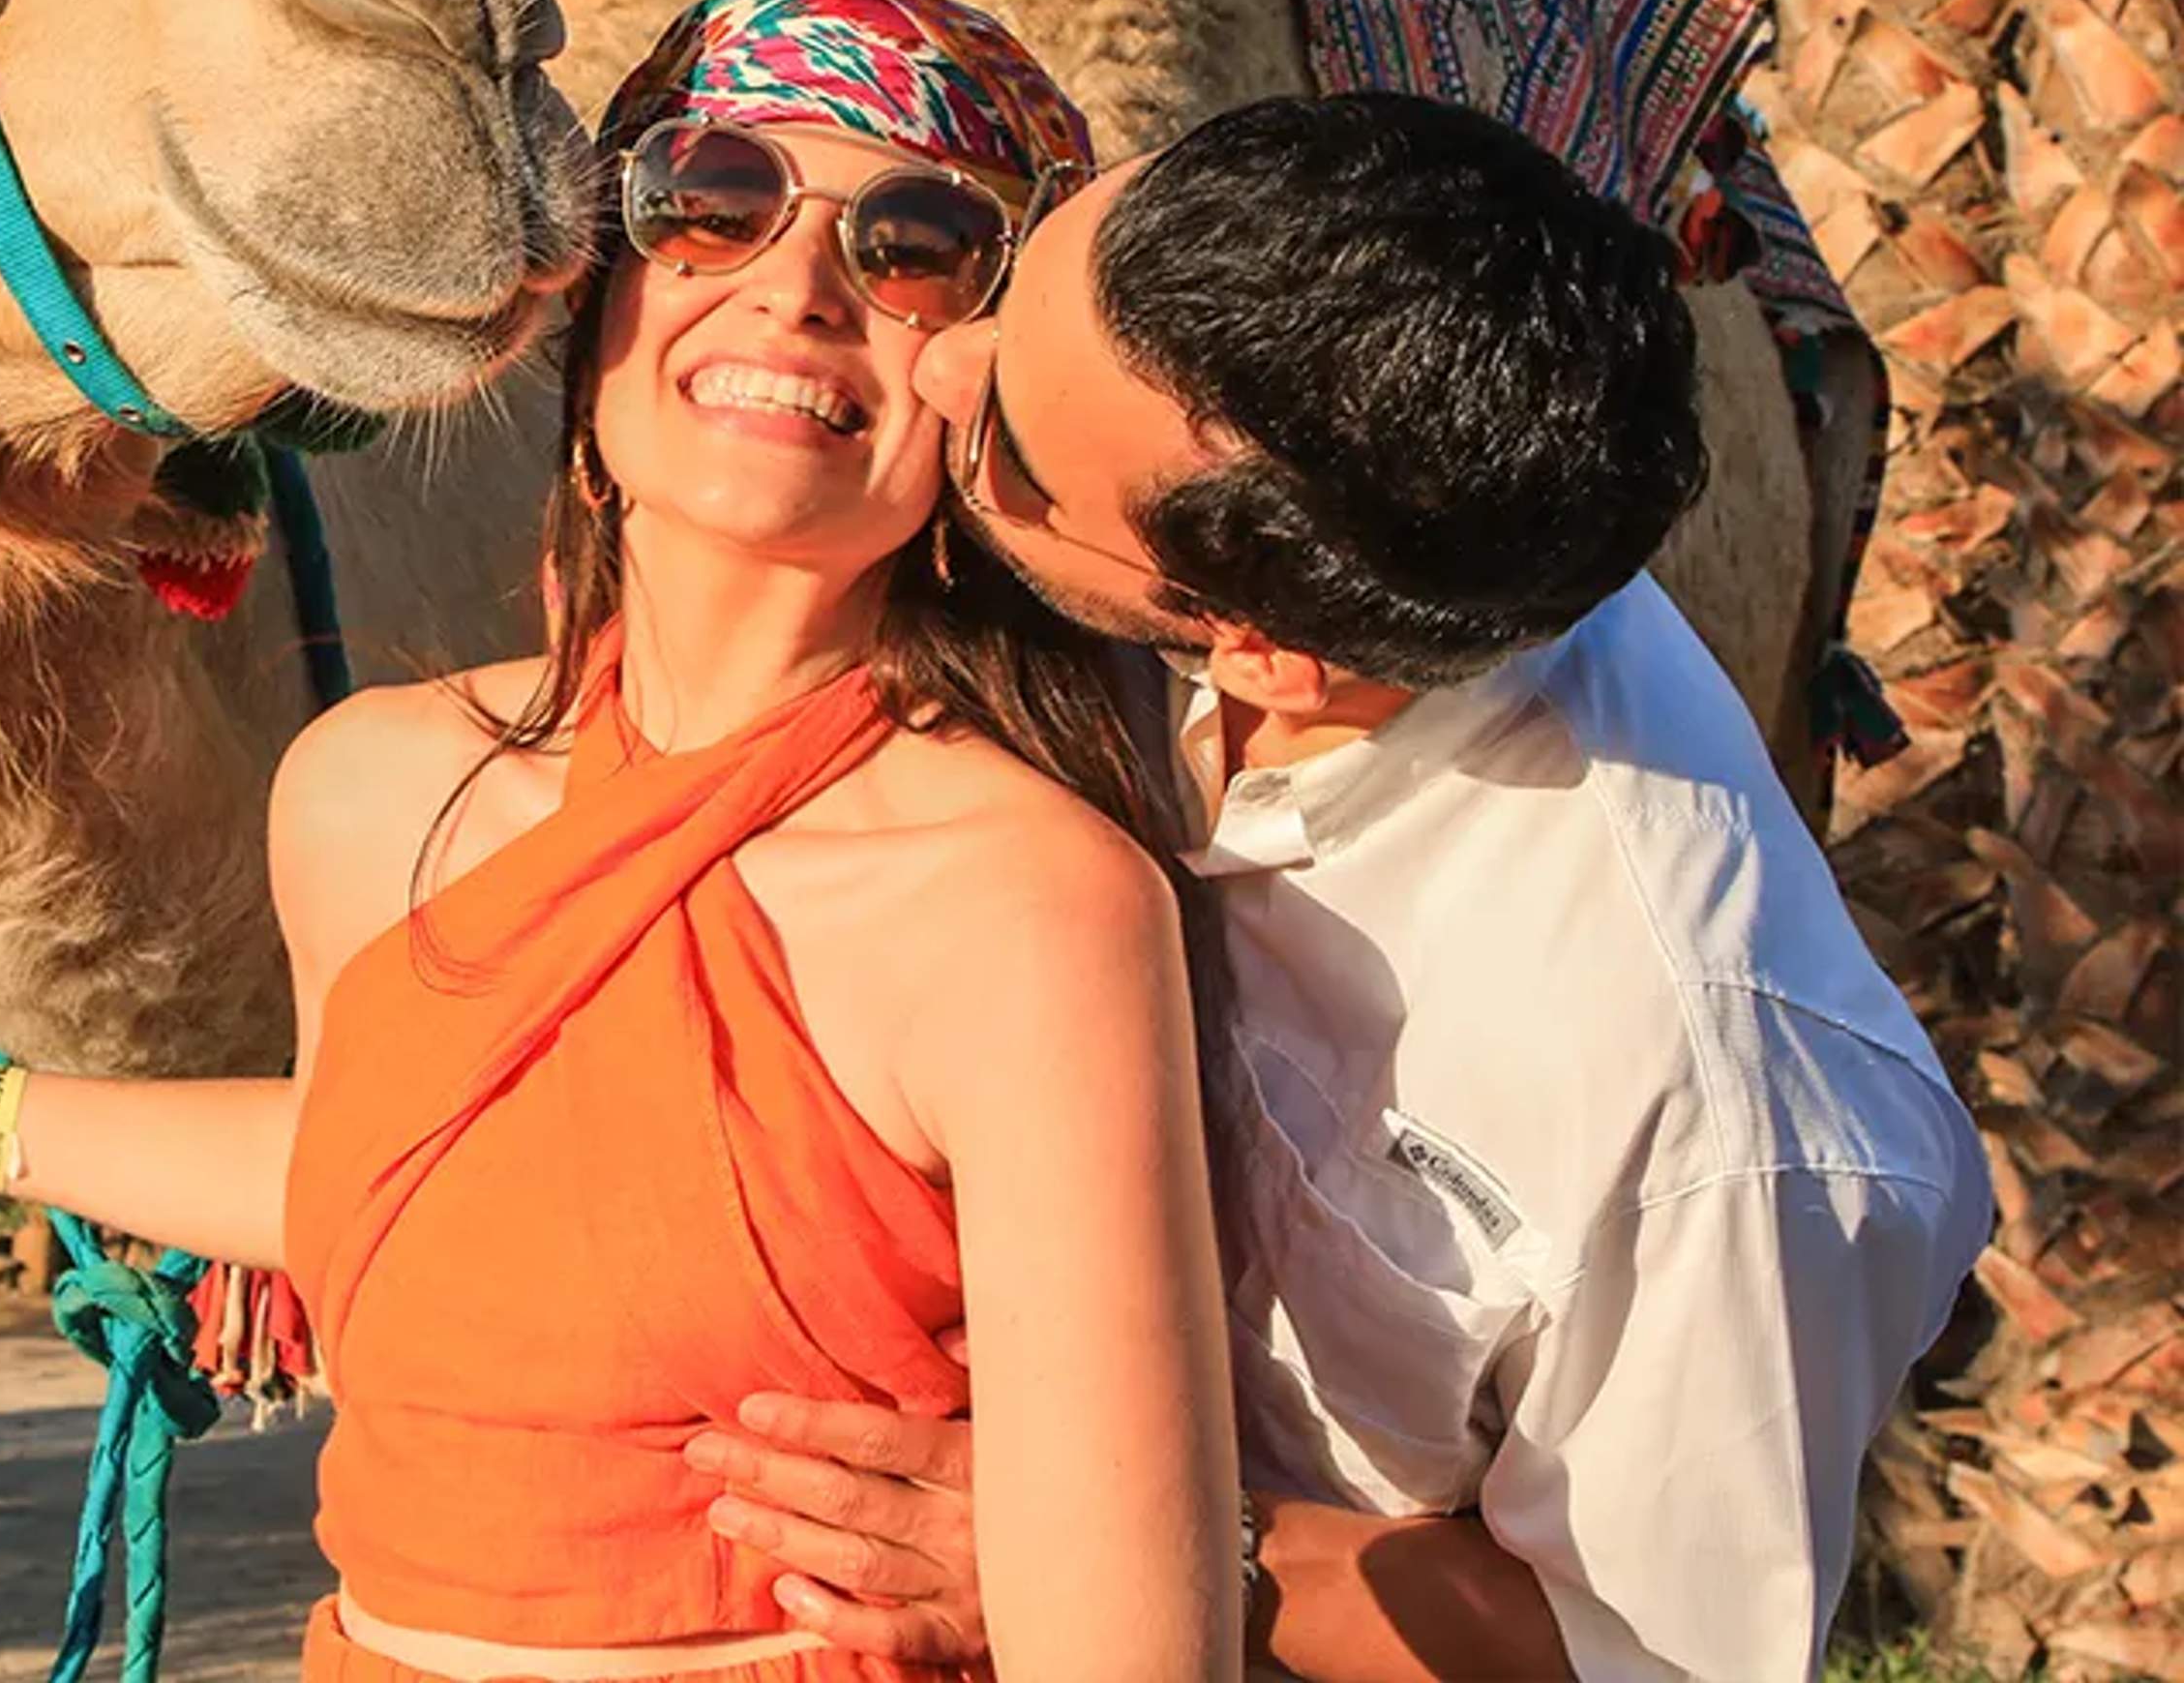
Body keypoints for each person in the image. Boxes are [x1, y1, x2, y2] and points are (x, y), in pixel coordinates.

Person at [0, 0, 1242, 1682]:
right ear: (599, 316)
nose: (796, 288)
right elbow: (368, 1166)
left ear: (977, 385)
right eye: (713, 200)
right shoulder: (373, 788)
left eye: (916, 241)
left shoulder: (1027, 901)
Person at [686, 93, 1993, 1682]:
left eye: (1011, 449)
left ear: (1257, 646)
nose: (942, 364)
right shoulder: (1305, 508)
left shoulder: (1714, 1122)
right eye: (1019, 276)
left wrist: (1129, 1538)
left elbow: (1648, 1654)